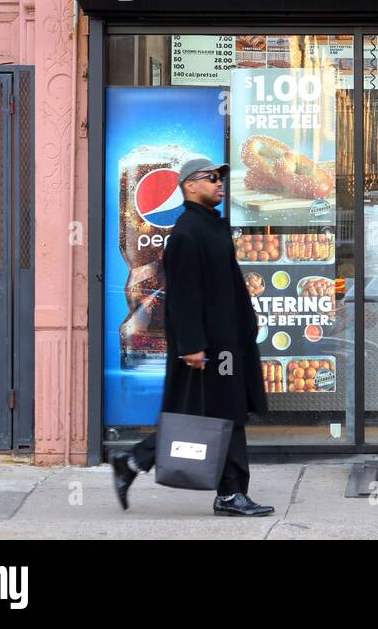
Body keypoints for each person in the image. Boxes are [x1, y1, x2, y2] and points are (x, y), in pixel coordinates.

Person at [110, 156, 273, 517]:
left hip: (226, 342)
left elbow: (229, 285)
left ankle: (133, 461)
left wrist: (247, 324)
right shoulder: (187, 231)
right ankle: (229, 494)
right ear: (189, 185)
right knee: (220, 415)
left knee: (206, 413)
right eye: (211, 178)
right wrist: (192, 346)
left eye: (220, 178)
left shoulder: (212, 226)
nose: (219, 183)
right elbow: (182, 295)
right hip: (205, 347)